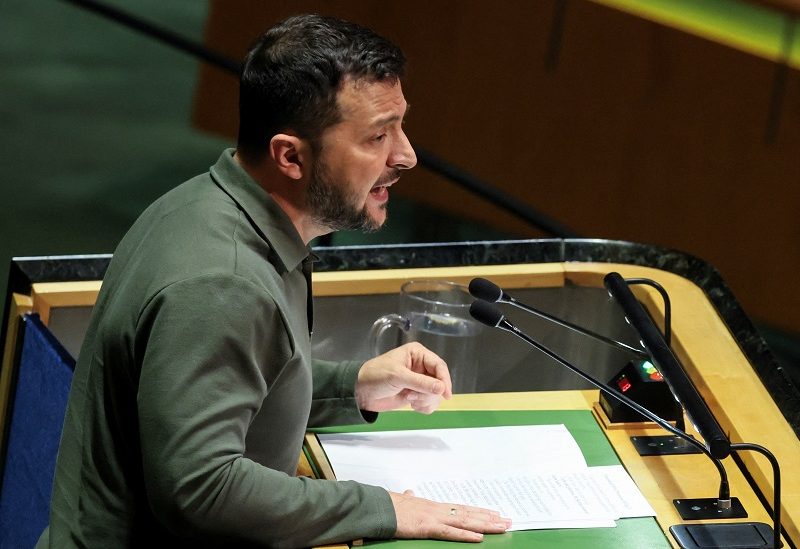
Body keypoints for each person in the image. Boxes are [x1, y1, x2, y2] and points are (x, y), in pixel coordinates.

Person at [37, 14, 510, 548]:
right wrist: (383, 507)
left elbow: (221, 398)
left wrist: (352, 385)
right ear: (290, 155)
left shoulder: (208, 204)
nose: (406, 156)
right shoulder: (223, 282)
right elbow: (202, 489)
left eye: (400, 126)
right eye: (378, 136)